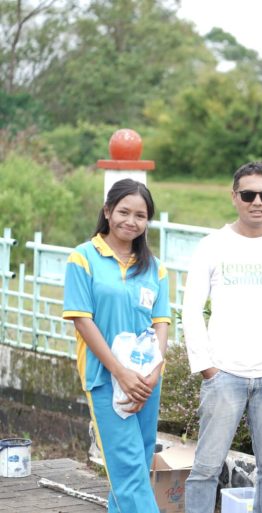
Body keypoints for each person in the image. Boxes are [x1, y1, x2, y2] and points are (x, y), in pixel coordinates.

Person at [182, 162, 262, 513]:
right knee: (205, 468)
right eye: (249, 194)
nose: (257, 202)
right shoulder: (212, 246)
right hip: (223, 375)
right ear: (234, 197)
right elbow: (191, 309)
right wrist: (207, 367)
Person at [63, 178, 171, 513]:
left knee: (139, 459)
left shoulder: (156, 269)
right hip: (106, 378)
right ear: (108, 211)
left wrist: (154, 372)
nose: (131, 221)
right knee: (127, 468)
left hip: (146, 380)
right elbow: (83, 321)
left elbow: (161, 323)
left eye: (140, 215)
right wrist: (120, 372)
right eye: (124, 212)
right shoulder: (83, 258)